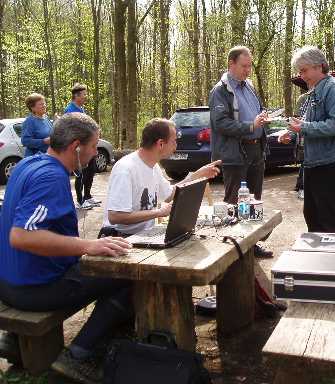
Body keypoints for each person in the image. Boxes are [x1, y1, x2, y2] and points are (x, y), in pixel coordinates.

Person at [0, 113, 133, 384]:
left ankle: (14, 342)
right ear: (76, 146)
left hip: (8, 282)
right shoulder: (50, 177)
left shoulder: (28, 164)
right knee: (130, 278)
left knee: (97, 265)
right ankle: (80, 355)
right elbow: (22, 236)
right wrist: (89, 245)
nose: (96, 152)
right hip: (32, 290)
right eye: (94, 146)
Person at [102, 118, 220, 237]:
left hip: (144, 235)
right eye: (174, 141)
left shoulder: (153, 166)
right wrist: (158, 212)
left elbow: (169, 195)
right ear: (161, 144)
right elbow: (115, 216)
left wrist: (197, 175)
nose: (176, 146)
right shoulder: (126, 169)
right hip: (118, 237)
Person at [209, 45, 273, 258]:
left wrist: (266, 125)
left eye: (250, 66)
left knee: (254, 201)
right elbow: (221, 124)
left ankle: (251, 245)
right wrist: (249, 126)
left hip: (256, 151)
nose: (248, 70)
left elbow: (256, 116)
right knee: (235, 203)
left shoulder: (250, 87)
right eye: (244, 66)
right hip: (235, 154)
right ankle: (233, 251)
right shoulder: (221, 91)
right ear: (231, 64)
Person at [279, 46, 335, 233]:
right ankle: (317, 256)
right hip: (312, 161)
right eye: (300, 71)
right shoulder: (312, 92)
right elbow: (307, 122)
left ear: (319, 67)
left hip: (329, 160)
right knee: (312, 213)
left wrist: (303, 127)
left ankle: (332, 256)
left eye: (304, 70)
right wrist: (292, 133)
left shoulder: (334, 89)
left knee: (328, 216)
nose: (301, 75)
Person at [64, 83, 99, 210]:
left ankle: (87, 196)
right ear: (76, 96)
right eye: (84, 94)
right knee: (80, 173)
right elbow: (70, 130)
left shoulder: (81, 109)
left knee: (91, 170)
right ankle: (80, 201)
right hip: (79, 148)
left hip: (87, 146)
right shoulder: (70, 110)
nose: (86, 96)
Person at [21, 93, 52, 157]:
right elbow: (25, 141)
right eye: (41, 104)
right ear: (32, 107)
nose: (44, 105)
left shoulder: (46, 118)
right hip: (35, 159)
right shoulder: (30, 121)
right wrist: (43, 141)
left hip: (47, 156)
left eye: (44, 103)